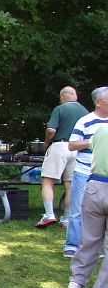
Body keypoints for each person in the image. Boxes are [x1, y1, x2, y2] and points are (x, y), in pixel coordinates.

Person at [67, 94, 108, 288]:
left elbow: (90, 146)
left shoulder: (100, 131)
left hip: (94, 185)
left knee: (89, 239)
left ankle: (76, 282)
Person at [36, 87, 87, 228]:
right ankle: (67, 218)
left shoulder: (60, 109)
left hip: (60, 146)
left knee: (48, 181)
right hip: (77, 149)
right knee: (70, 185)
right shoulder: (85, 112)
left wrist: (46, 143)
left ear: (63, 96)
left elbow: (51, 130)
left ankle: (49, 214)